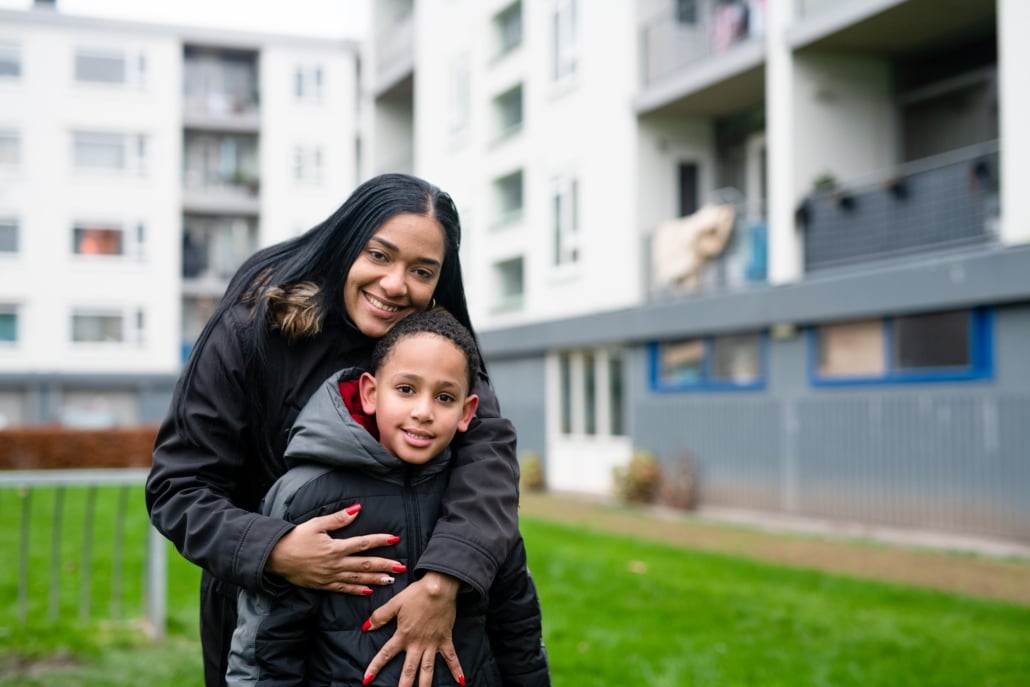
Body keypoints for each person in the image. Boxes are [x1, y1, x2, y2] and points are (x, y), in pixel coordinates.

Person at [146, 174, 521, 687]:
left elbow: (490, 467)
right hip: (270, 627)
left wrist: (444, 580)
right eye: (380, 255)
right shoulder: (251, 330)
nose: (395, 284)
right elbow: (178, 489)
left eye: (421, 270)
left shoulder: (436, 353)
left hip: (422, 631)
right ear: (346, 243)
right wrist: (278, 550)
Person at [226, 309, 549, 686]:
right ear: (369, 393)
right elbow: (267, 645)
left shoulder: (478, 497)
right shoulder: (307, 496)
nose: (423, 411)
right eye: (406, 389)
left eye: (444, 397)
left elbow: (518, 627)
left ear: (467, 413)